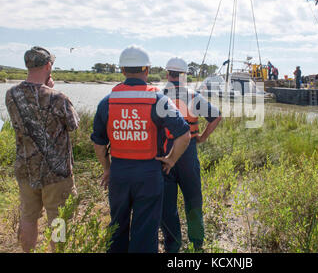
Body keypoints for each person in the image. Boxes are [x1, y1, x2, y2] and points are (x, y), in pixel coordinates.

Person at [91, 46, 190, 253]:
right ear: (146, 70)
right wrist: (170, 160)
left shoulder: (106, 102)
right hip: (149, 173)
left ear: (123, 71)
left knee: (117, 225)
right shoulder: (159, 100)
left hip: (118, 172)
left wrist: (107, 168)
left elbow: (99, 143)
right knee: (145, 229)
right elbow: (184, 134)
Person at [5, 46, 79, 252]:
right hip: (56, 174)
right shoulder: (58, 98)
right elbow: (73, 125)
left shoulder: (11, 95)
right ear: (48, 66)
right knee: (58, 219)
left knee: (28, 216)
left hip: (26, 169)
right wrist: (51, 89)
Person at [160, 57, 222, 253]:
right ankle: (197, 243)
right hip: (188, 153)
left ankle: (173, 246)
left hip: (165, 156)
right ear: (185, 75)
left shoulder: (158, 96)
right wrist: (202, 137)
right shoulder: (194, 96)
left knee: (167, 205)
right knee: (193, 199)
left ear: (167, 74)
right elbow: (216, 116)